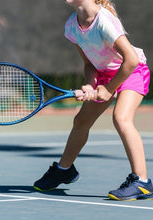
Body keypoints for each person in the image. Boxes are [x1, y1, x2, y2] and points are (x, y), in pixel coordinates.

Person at [33, 0, 153, 201]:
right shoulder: (72, 26)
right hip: (105, 73)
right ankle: (64, 170)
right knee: (81, 122)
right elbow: (89, 63)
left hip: (132, 70)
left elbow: (131, 59)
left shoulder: (104, 20)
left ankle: (141, 182)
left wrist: (108, 88)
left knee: (121, 118)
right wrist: (90, 85)